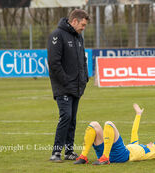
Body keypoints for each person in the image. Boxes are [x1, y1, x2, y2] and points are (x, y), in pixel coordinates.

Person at [74, 102, 155, 165]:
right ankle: (83, 157)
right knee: (94, 124)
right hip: (112, 152)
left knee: (109, 124)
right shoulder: (138, 146)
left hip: (122, 155)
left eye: (152, 143)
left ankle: (105, 158)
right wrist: (138, 114)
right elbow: (134, 131)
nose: (151, 142)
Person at [47, 9, 90, 162]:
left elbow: (83, 61)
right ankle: (56, 153)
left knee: (72, 120)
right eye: (82, 24)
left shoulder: (79, 38)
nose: (84, 28)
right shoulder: (57, 35)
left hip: (77, 86)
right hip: (63, 86)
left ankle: (69, 151)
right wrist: (66, 80)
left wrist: (85, 78)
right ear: (74, 21)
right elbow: (54, 63)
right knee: (66, 116)